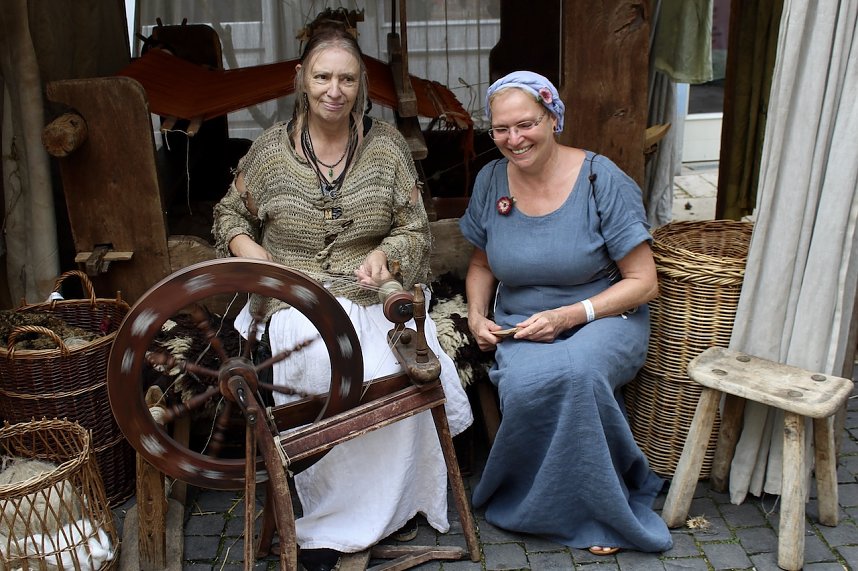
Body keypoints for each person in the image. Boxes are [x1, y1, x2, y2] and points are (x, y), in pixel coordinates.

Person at [212, 25, 473, 571]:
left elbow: (414, 226)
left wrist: (389, 256)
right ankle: (333, 514)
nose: (335, 89)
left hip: (368, 292)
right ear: (301, 81)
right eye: (323, 76)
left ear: (361, 87)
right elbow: (228, 216)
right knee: (320, 368)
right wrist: (256, 258)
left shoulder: (385, 147)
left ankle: (385, 509)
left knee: (389, 371)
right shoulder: (269, 152)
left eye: (347, 78)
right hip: (292, 298)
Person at [459, 71, 673, 555]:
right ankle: (545, 502)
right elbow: (480, 262)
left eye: (526, 124)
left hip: (603, 315)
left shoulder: (602, 179)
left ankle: (602, 512)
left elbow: (644, 282)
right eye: (501, 130)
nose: (513, 139)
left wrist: (571, 316)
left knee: (577, 374)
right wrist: (476, 316)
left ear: (553, 118)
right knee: (529, 382)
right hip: (522, 321)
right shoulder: (491, 180)